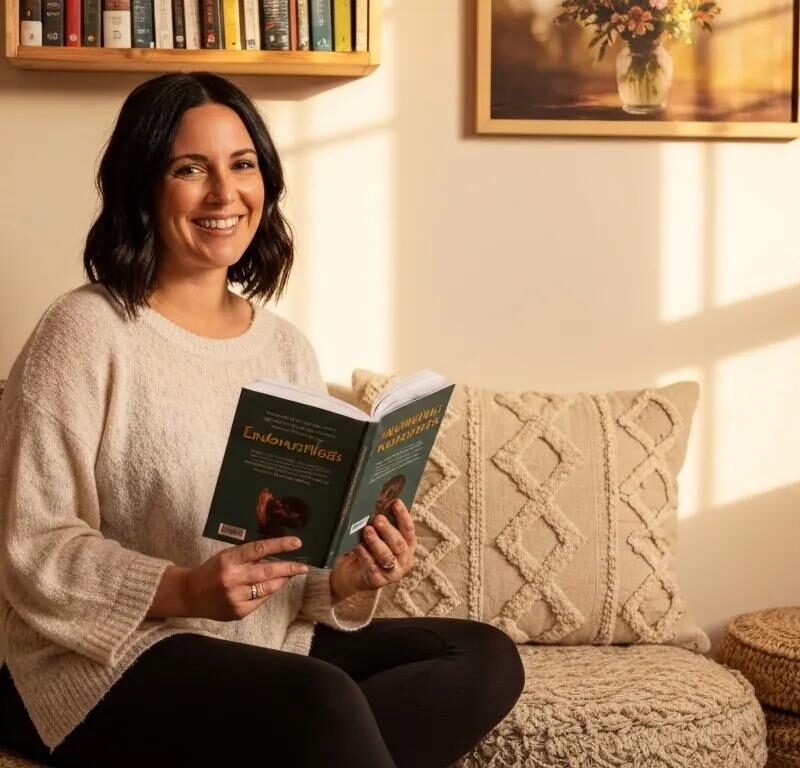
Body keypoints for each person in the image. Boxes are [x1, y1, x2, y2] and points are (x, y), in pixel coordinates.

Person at [0, 73, 523, 767]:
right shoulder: (86, 331)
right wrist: (183, 588)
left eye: (242, 165)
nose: (225, 193)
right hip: (103, 661)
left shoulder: (283, 346)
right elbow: (34, 547)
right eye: (191, 169)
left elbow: (292, 562)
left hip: (263, 647)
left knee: (482, 658)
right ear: (143, 186)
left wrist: (348, 578)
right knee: (318, 702)